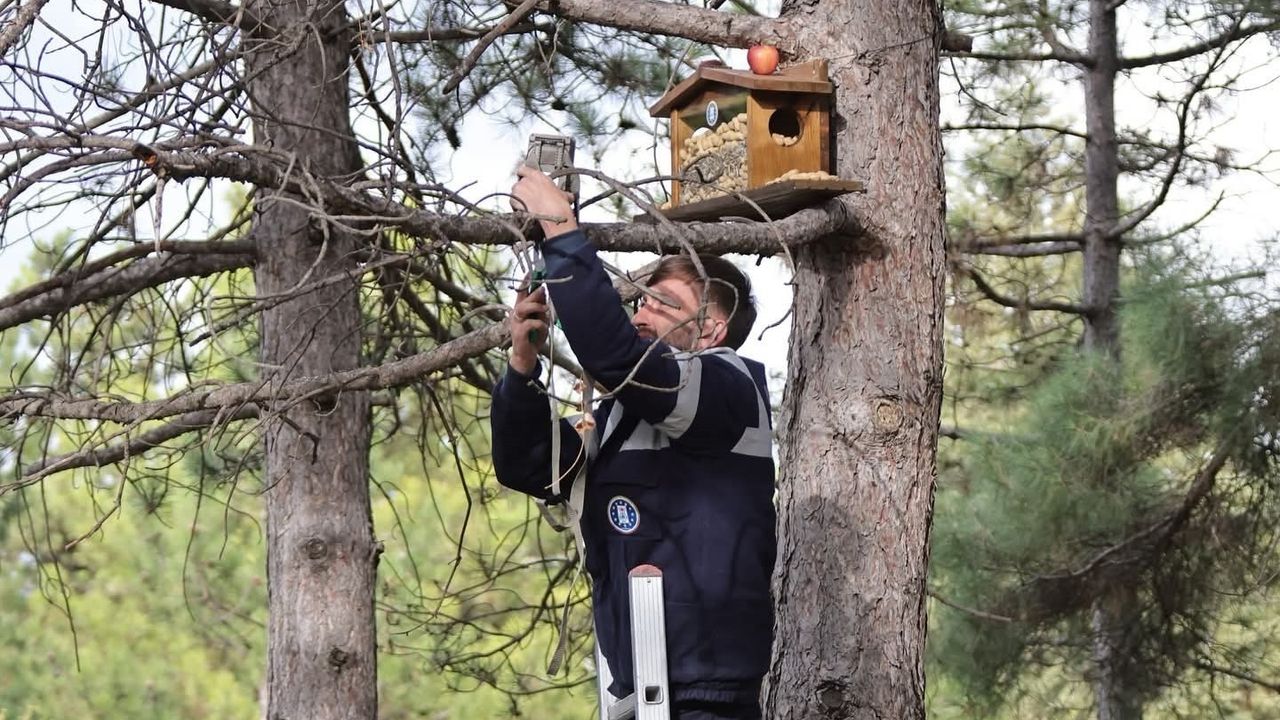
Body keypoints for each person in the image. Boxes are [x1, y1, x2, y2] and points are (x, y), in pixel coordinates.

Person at [490, 166, 776, 720]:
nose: (640, 312)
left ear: (712, 328)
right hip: (637, 694)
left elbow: (614, 353)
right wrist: (521, 370)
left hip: (704, 697)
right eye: (637, 301)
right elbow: (529, 466)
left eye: (660, 301)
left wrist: (559, 227)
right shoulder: (625, 412)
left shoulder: (725, 385)